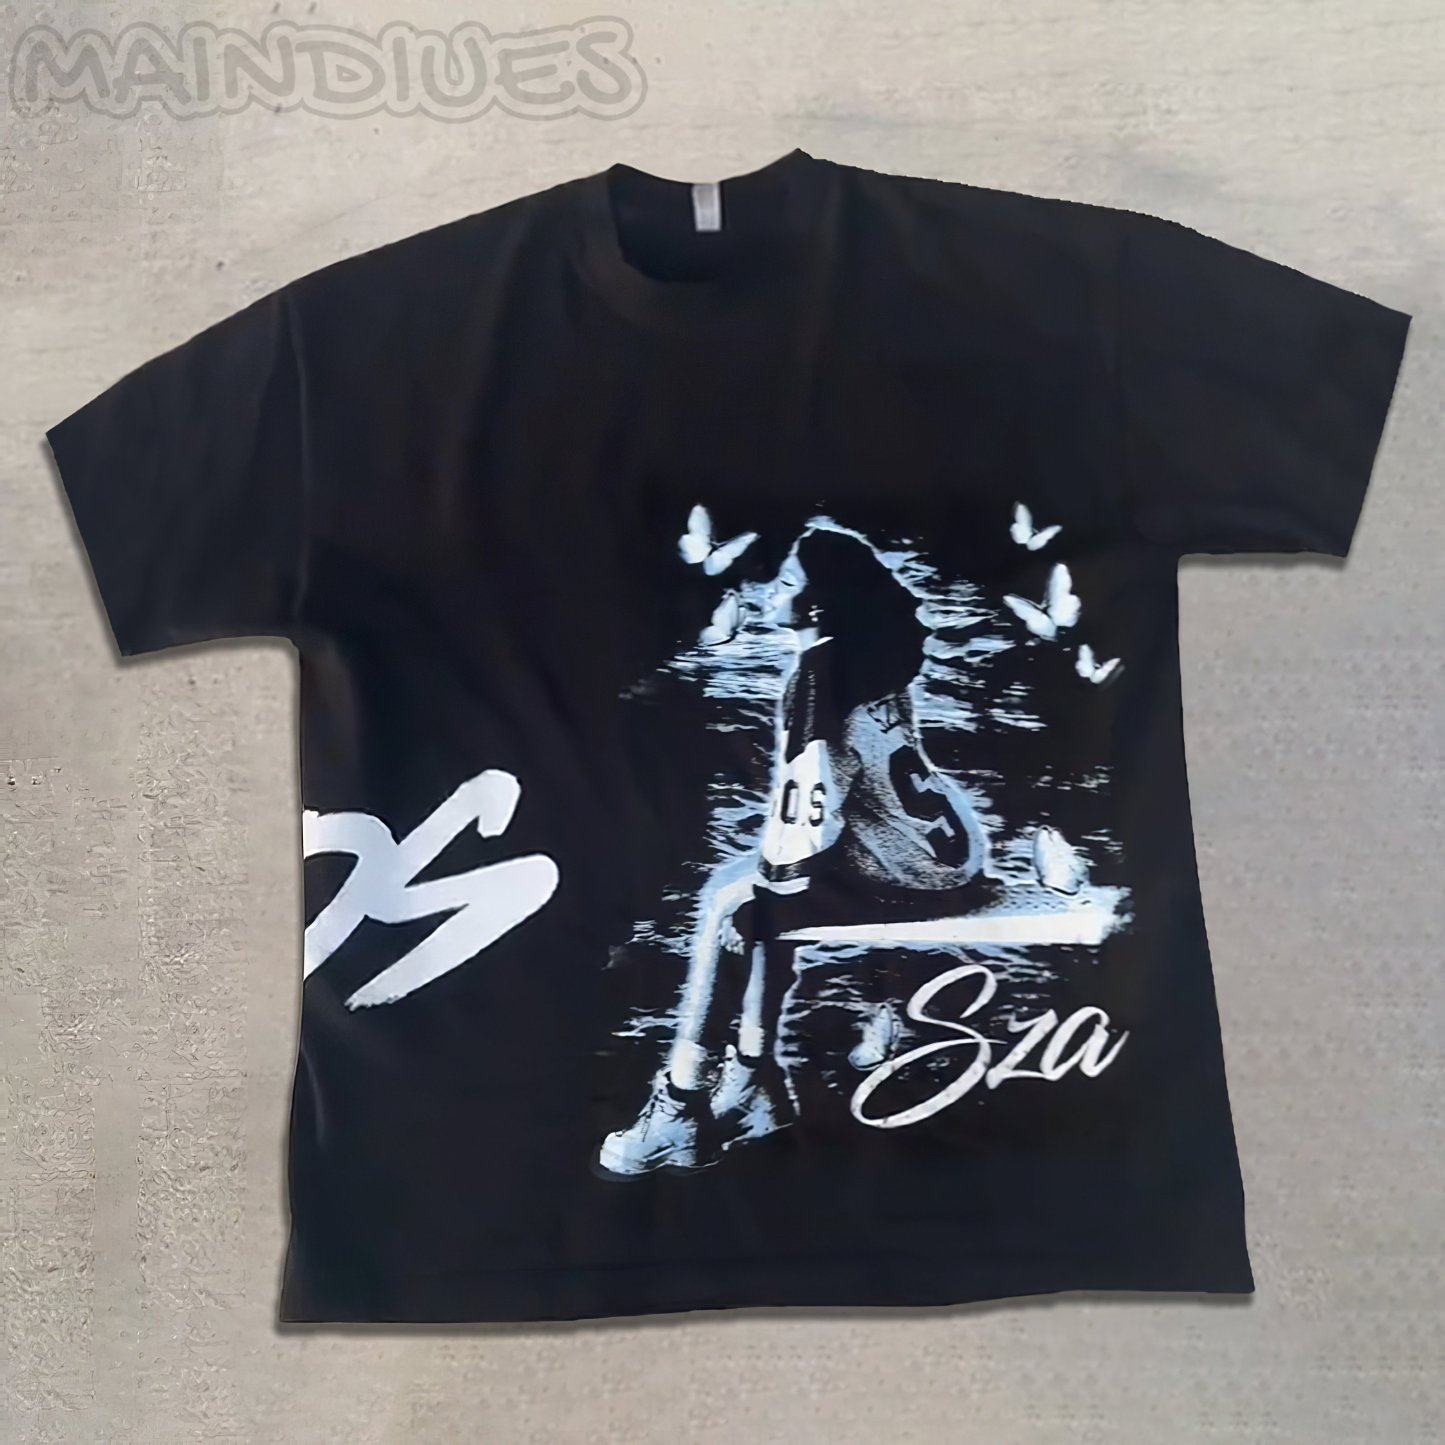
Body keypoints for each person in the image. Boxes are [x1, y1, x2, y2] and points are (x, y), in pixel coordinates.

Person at [598, 527, 992, 1176]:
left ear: (816, 605)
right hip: (950, 857)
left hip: (910, 875)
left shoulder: (816, 678)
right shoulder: (869, 654)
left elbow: (810, 802)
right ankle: (751, 1077)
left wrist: (770, 896)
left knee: (734, 907)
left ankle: (683, 1101)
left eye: (784, 583)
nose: (767, 593)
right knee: (743, 893)